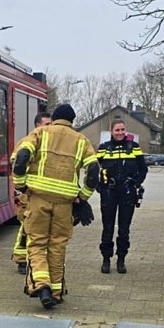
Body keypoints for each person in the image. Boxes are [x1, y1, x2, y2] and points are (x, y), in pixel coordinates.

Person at [12, 103, 99, 309]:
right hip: (65, 204)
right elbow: (94, 170)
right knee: (58, 246)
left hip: (38, 199)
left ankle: (42, 286)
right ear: (71, 121)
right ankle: (57, 292)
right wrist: (83, 196)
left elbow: (21, 157)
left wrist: (20, 184)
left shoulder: (40, 133)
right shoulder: (81, 140)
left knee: (37, 244)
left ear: (56, 117)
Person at [96, 120, 148, 274]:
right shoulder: (104, 148)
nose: (120, 133)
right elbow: (93, 167)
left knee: (124, 229)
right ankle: (106, 259)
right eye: (117, 130)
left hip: (127, 192)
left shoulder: (134, 147)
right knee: (107, 228)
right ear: (111, 131)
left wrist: (136, 184)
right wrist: (99, 187)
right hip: (109, 193)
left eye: (122, 130)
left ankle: (121, 259)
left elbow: (143, 169)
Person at [11, 111, 51, 274]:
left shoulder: (49, 143)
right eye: (47, 124)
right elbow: (15, 164)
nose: (50, 127)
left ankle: (36, 259)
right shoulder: (26, 142)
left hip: (42, 194)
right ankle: (21, 260)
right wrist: (24, 186)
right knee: (26, 227)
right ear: (38, 126)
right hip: (28, 193)